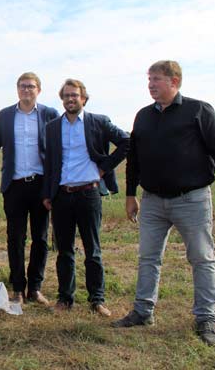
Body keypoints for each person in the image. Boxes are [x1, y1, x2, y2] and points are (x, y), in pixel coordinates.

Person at [113, 60, 215, 346]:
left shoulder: (199, 110)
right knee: (148, 257)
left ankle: (205, 319)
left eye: (156, 79)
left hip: (192, 200)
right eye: (149, 79)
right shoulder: (143, 116)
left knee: (202, 258)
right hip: (152, 202)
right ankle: (142, 312)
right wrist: (129, 195)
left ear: (174, 81)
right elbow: (134, 158)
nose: (150, 84)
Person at [43, 79, 129, 316]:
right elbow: (50, 163)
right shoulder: (52, 127)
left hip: (89, 193)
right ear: (62, 99)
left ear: (83, 98)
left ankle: (97, 300)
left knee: (93, 250)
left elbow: (126, 142)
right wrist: (48, 194)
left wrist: (105, 168)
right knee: (64, 251)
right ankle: (65, 299)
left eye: (75, 95)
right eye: (67, 95)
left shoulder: (98, 122)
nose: (71, 99)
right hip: (62, 195)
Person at [0, 72, 58, 305]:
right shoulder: (5, 115)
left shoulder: (50, 114)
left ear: (39, 90)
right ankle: (17, 288)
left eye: (31, 86)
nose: (26, 90)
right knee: (15, 238)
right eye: (22, 86)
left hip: (40, 185)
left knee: (40, 238)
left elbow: (57, 150)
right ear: (17, 90)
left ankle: (35, 288)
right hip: (14, 186)